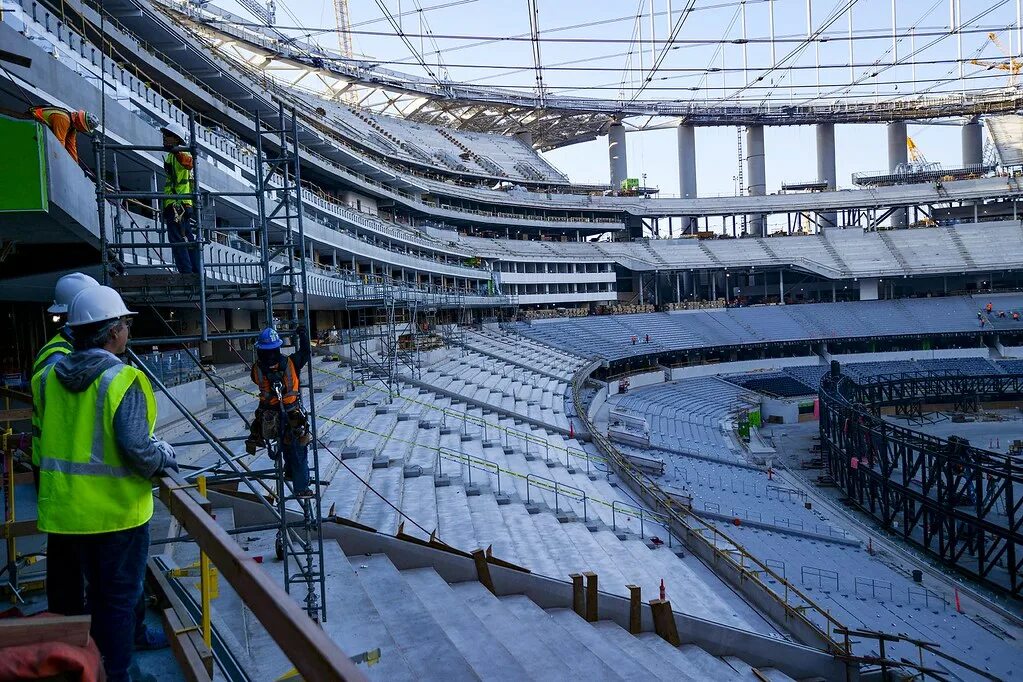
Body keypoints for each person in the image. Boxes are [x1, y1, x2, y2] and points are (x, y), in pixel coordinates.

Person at [32, 285, 178, 682]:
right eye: (126, 324)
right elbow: (139, 450)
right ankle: (117, 674)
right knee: (114, 602)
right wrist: (164, 454)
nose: (128, 332)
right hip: (117, 516)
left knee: (76, 601)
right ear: (112, 332)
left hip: (65, 514)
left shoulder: (46, 378)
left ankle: (82, 670)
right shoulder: (121, 379)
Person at [246, 326, 313, 498]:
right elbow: (306, 352)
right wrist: (303, 335)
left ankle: (290, 472)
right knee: (298, 450)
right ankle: (301, 488)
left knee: (284, 445)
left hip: (268, 417)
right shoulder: (291, 362)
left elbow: (255, 380)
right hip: (290, 415)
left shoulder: (257, 368)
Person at [161, 124, 201, 275]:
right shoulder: (172, 155)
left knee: (178, 240)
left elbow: (189, 163)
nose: (164, 137)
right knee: (187, 239)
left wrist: (176, 152)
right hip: (178, 203)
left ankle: (187, 272)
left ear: (176, 139)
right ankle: (195, 270)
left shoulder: (181, 152)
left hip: (178, 204)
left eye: (167, 135)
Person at [28, 106, 97, 163]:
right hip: (32, 124)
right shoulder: (63, 119)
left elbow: (71, 147)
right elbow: (59, 143)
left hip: (39, 130)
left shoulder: (72, 127)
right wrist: (58, 160)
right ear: (81, 125)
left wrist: (75, 166)